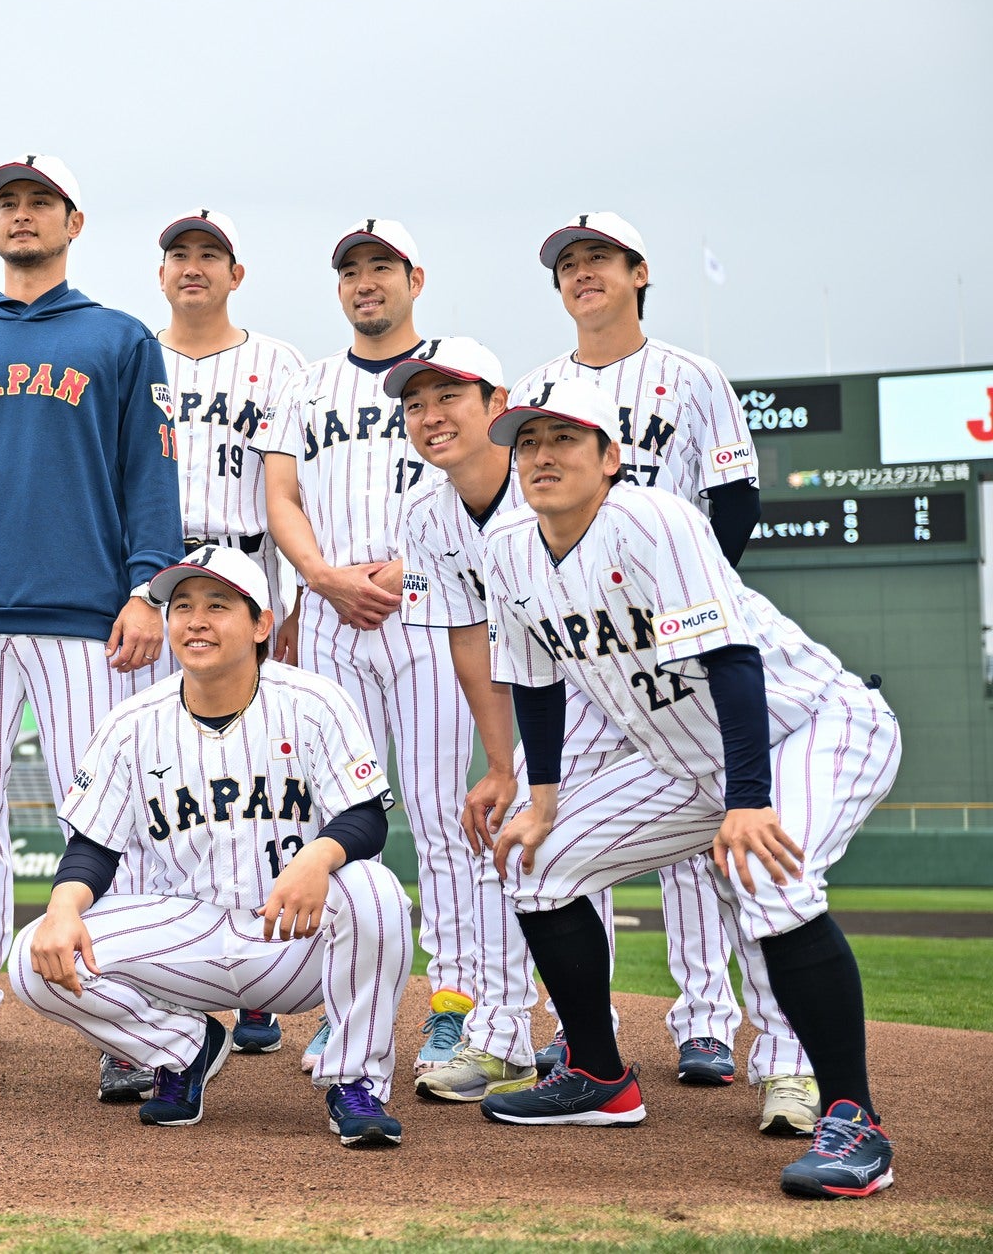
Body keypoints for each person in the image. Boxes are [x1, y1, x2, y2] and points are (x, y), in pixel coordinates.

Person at [479, 377, 900, 1201]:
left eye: (563, 439)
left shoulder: (652, 520)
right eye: (527, 442)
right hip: (690, 763)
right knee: (537, 861)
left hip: (808, 726)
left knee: (766, 876)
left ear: (610, 459)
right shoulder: (507, 551)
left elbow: (732, 661)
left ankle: (857, 1121)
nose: (540, 455)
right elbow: (534, 683)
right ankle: (601, 1077)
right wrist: (544, 795)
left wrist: (748, 800)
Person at [0, 153, 183, 1104]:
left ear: (73, 221)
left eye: (38, 202)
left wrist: (149, 588)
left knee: (102, 822)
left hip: (87, 618)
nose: (21, 216)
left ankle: (129, 1021)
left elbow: (151, 474)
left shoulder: (121, 338)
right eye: (7, 204)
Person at [512, 214, 806, 1133]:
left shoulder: (693, 377)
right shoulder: (537, 389)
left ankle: (714, 1025)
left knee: (716, 849)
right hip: (580, 643)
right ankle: (584, 1039)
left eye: (597, 258)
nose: (581, 274)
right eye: (567, 264)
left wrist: (680, 611)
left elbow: (736, 495)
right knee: (568, 842)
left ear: (640, 273)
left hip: (674, 638)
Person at [11, 546, 411, 1144]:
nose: (195, 621)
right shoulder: (132, 723)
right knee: (32, 959)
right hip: (190, 933)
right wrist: (63, 909)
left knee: (376, 891)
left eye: (217, 606)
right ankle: (184, 1047)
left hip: (294, 939)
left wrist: (318, 856)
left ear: (260, 624)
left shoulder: (313, 701)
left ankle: (354, 1082)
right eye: (182, 606)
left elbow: (365, 818)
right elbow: (93, 850)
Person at [252, 219, 478, 1077]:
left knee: (441, 817)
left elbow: (482, 479)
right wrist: (322, 577)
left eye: (382, 267)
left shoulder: (454, 371)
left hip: (434, 614)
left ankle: (460, 1005)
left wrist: (408, 561)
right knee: (338, 825)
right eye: (351, 270)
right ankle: (351, 1010)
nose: (365, 282)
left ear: (415, 277)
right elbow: (281, 498)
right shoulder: (306, 388)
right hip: (339, 624)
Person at [384, 337, 612, 1103]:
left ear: (496, 404)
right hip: (544, 688)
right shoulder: (424, 512)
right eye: (415, 404)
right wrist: (504, 765)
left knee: (609, 854)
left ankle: (787, 1057)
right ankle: (517, 1033)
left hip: (629, 681)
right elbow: (470, 641)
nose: (430, 415)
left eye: (449, 396)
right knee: (521, 844)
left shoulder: (554, 486)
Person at [136, 207, 306, 1055]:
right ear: (160, 274)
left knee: (258, 783)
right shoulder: (131, 355)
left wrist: (295, 606)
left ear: (237, 273)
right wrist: (134, 593)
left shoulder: (277, 363)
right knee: (161, 785)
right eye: (179, 255)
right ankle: (165, 976)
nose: (192, 266)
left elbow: (285, 497)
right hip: (156, 582)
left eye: (210, 254)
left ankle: (262, 974)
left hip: (244, 577)